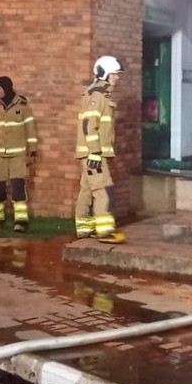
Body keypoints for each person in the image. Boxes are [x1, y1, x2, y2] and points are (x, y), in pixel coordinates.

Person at [75, 56, 126, 244]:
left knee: (87, 190)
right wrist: (95, 153)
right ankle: (104, 232)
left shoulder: (99, 94)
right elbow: (90, 126)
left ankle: (83, 229)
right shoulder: (97, 96)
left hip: (91, 153)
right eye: (114, 74)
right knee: (101, 190)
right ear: (105, 74)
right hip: (93, 154)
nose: (117, 78)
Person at [0, 76, 38, 232]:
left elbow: (30, 128)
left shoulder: (22, 104)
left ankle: (20, 222)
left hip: (18, 155)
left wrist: (32, 150)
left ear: (6, 89)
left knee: (18, 188)